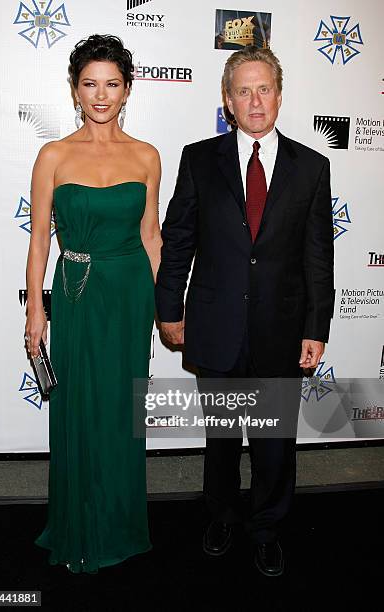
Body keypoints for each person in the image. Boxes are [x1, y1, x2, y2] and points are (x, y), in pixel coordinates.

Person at [155, 46, 334, 576]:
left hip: (282, 330)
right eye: (243, 91)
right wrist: (168, 309)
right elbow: (178, 239)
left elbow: (318, 256)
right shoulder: (198, 159)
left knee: (275, 443)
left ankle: (267, 527)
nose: (255, 101)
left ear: (279, 95)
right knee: (222, 439)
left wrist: (315, 326)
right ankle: (223, 515)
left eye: (264, 89)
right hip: (216, 326)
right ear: (227, 101)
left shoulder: (312, 167)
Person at [24, 34, 162, 573]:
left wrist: (163, 309)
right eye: (90, 84)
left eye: (112, 83)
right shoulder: (53, 154)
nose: (101, 94)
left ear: (127, 90)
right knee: (80, 408)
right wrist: (36, 308)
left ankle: (120, 522)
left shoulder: (147, 155)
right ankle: (79, 522)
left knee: (123, 411)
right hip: (78, 291)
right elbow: (38, 239)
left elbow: (151, 236)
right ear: (75, 90)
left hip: (130, 294)